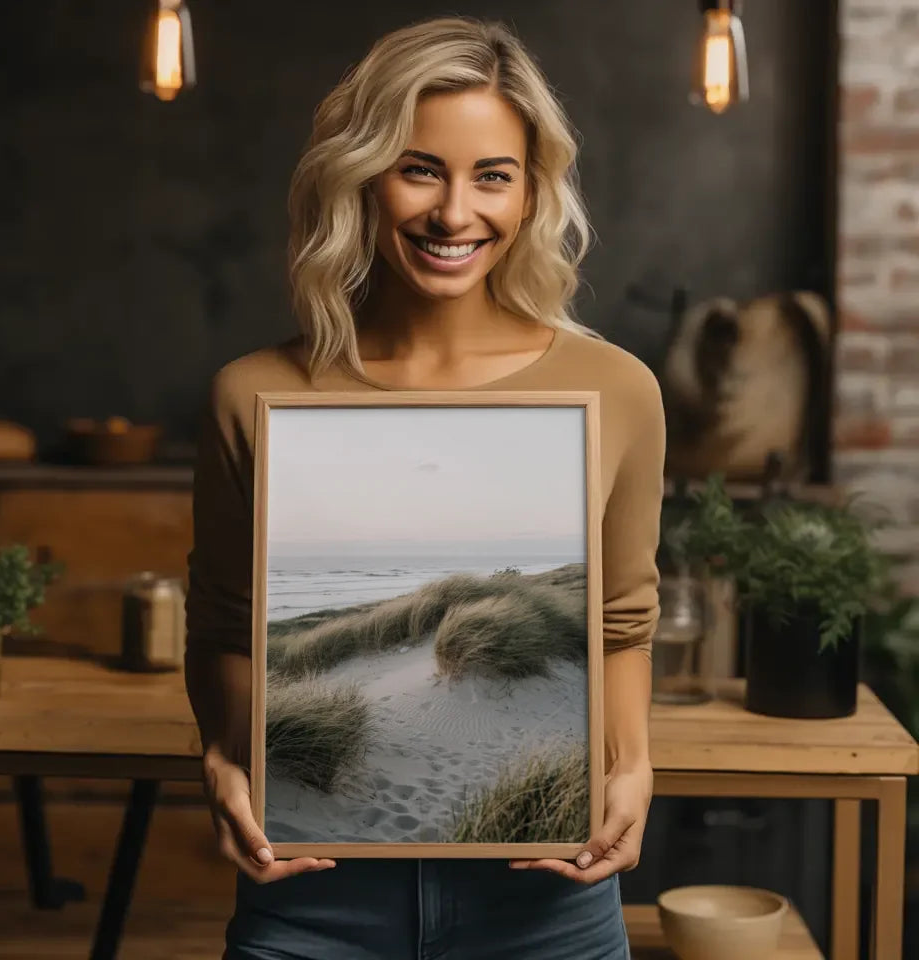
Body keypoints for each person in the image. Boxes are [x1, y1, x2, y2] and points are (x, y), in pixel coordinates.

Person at [185, 15, 665, 960]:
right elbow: (222, 624)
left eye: (493, 175)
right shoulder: (254, 394)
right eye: (419, 169)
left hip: (547, 910)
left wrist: (634, 766)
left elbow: (620, 624)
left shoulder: (618, 390)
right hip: (308, 904)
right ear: (361, 178)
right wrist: (220, 753)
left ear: (531, 194)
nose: (455, 214)